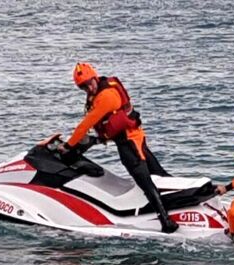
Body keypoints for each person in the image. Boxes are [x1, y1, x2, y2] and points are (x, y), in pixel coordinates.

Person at [59, 62, 178, 233]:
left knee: (145, 181)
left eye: (88, 84)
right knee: (158, 173)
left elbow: (85, 125)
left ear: (95, 77)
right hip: (133, 137)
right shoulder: (102, 89)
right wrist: (97, 139)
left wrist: (68, 146)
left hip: (129, 142)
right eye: (83, 88)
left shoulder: (106, 97)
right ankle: (181, 205)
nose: (88, 89)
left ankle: (166, 221)